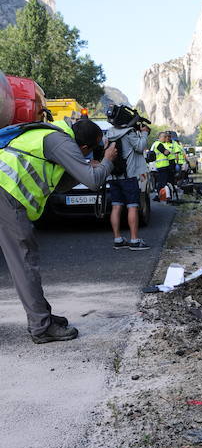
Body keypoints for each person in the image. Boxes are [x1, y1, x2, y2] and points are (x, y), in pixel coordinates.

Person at [0, 117, 116, 343]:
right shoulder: (59, 142)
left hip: (6, 194)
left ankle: (42, 316)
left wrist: (80, 169)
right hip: (6, 193)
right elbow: (94, 181)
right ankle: (41, 327)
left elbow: (57, 184)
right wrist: (108, 161)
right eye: (91, 151)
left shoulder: (57, 139)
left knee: (25, 259)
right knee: (24, 261)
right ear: (84, 148)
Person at [104, 118, 151, 250]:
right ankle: (135, 240)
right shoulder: (129, 133)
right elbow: (140, 147)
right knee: (132, 207)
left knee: (116, 207)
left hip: (113, 177)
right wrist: (144, 133)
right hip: (128, 177)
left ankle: (118, 239)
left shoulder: (109, 133)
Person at [150, 131, 173, 199]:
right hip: (162, 166)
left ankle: (159, 196)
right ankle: (166, 196)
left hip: (161, 166)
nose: (166, 138)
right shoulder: (158, 144)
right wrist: (169, 151)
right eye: (164, 136)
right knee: (163, 182)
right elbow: (166, 152)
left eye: (166, 136)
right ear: (159, 137)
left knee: (161, 182)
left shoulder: (159, 143)